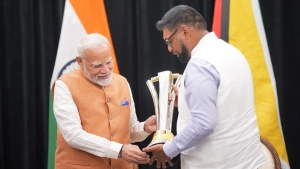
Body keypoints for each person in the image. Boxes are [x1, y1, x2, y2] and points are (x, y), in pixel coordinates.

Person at [143, 5, 265, 169]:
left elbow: (203, 125)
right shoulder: (231, 50)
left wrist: (168, 149)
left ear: (185, 31)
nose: (169, 48)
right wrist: (188, 101)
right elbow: (228, 99)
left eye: (169, 40)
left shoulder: (200, 66)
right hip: (250, 161)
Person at [52, 33, 157, 169]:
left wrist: (144, 128)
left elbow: (128, 132)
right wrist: (119, 150)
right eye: (97, 66)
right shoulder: (64, 85)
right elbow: (72, 134)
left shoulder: (122, 82)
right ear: (79, 61)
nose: (106, 70)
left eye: (108, 62)